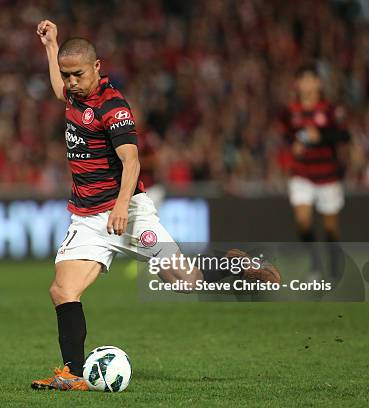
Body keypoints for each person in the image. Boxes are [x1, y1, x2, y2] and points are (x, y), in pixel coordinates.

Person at [32, 20, 280, 391]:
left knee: (187, 283)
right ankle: (72, 373)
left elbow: (131, 162)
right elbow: (56, 87)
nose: (69, 82)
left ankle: (235, 262)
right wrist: (51, 46)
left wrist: (119, 207)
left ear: (98, 67)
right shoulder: (74, 95)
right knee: (62, 291)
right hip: (86, 218)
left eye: (77, 75)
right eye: (67, 76)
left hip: (126, 214)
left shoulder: (113, 107)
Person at [281, 64, 350, 279]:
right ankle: (315, 263)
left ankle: (334, 258)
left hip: (327, 175)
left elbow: (344, 136)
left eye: (311, 79)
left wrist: (321, 136)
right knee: (302, 220)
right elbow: (288, 137)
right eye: (303, 80)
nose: (307, 84)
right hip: (302, 174)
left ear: (318, 83)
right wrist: (294, 144)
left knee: (330, 228)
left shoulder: (330, 109)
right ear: (297, 84)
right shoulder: (291, 111)